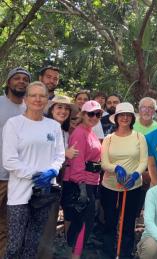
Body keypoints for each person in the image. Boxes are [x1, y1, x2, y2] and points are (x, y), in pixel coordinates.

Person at [2, 81, 65, 258]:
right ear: (26, 99)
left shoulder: (53, 126)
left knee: (32, 242)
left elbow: (59, 155)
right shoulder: (14, 124)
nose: (38, 99)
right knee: (15, 245)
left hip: (44, 193)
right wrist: (36, 174)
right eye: (33, 95)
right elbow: (9, 160)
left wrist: (52, 171)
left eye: (42, 95)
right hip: (19, 194)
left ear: (47, 99)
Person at [100, 102, 148, 257]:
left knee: (128, 224)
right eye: (122, 115)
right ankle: (109, 253)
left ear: (132, 118)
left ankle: (126, 253)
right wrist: (116, 168)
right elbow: (104, 163)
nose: (125, 118)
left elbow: (143, 161)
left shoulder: (139, 137)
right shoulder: (109, 138)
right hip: (110, 186)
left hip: (132, 187)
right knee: (110, 222)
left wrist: (135, 175)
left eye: (128, 115)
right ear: (117, 117)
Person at [38, 95, 78, 259]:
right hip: (40, 183)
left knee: (49, 225)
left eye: (66, 108)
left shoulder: (64, 132)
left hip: (57, 183)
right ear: (51, 109)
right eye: (59, 107)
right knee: (39, 225)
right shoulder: (43, 128)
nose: (63, 111)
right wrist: (64, 155)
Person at [62, 100, 103, 258]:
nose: (94, 117)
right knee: (82, 224)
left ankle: (74, 254)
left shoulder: (90, 131)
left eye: (98, 114)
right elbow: (77, 163)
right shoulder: (79, 132)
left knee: (84, 223)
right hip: (80, 184)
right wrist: (82, 189)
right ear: (83, 114)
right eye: (90, 113)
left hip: (91, 182)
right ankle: (74, 256)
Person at [0, 67, 30, 257]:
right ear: (9, 82)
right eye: (17, 78)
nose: (21, 81)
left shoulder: (29, 109)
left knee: (6, 225)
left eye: (25, 79)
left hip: (16, 178)